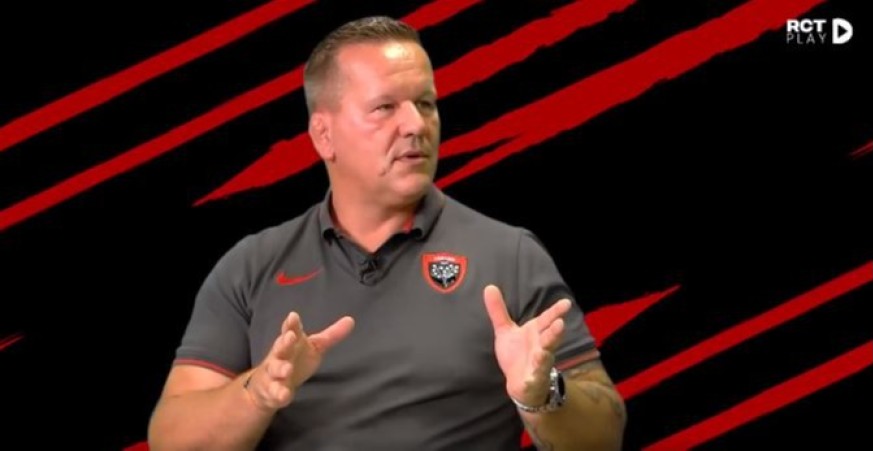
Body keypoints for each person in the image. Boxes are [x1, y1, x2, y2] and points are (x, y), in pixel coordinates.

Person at [148, 16, 626, 450]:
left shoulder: (511, 256)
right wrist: (257, 394)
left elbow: (604, 436)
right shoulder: (250, 266)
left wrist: (542, 395)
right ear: (323, 136)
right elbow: (172, 440)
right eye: (384, 107)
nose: (416, 124)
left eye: (426, 103)